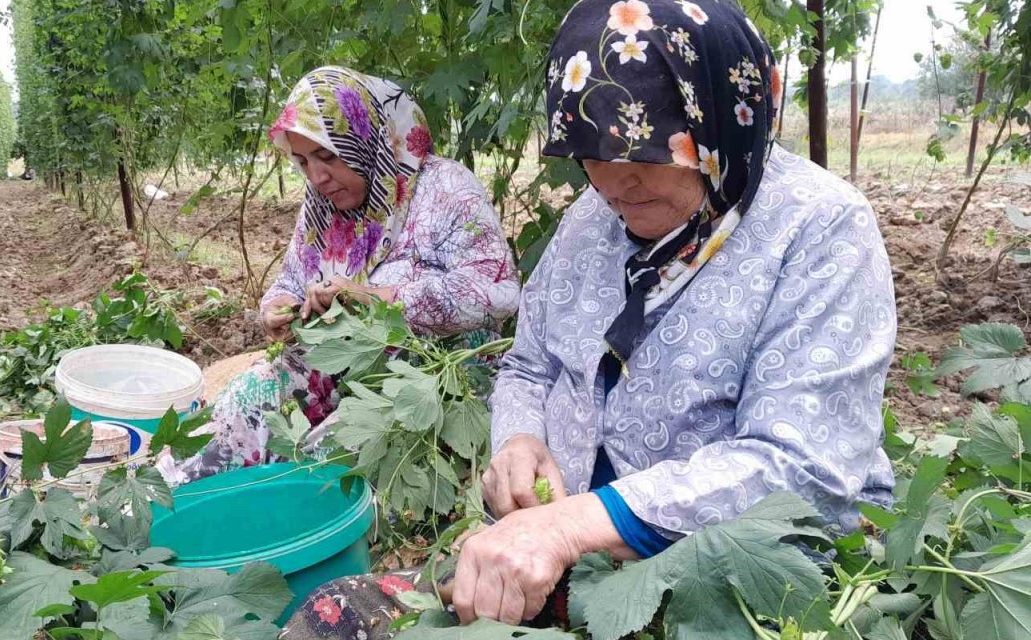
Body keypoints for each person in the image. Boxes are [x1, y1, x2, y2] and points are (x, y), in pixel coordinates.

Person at [280, 1, 896, 636]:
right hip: (567, 556)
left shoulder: (820, 230)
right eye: (591, 153)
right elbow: (528, 363)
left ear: (718, 120)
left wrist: (574, 525)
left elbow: (806, 470)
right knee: (338, 616)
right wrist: (519, 441)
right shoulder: (590, 218)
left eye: (649, 151)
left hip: (726, 580)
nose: (614, 181)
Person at [156, 67, 520, 485]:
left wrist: (376, 297)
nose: (317, 177)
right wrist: (276, 309)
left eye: (328, 155)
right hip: (341, 366)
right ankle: (170, 499)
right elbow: (291, 281)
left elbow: (498, 292)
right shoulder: (322, 207)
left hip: (428, 380)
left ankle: (281, 523)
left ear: (367, 139)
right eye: (303, 161)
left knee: (323, 461)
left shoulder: (447, 191)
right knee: (246, 398)